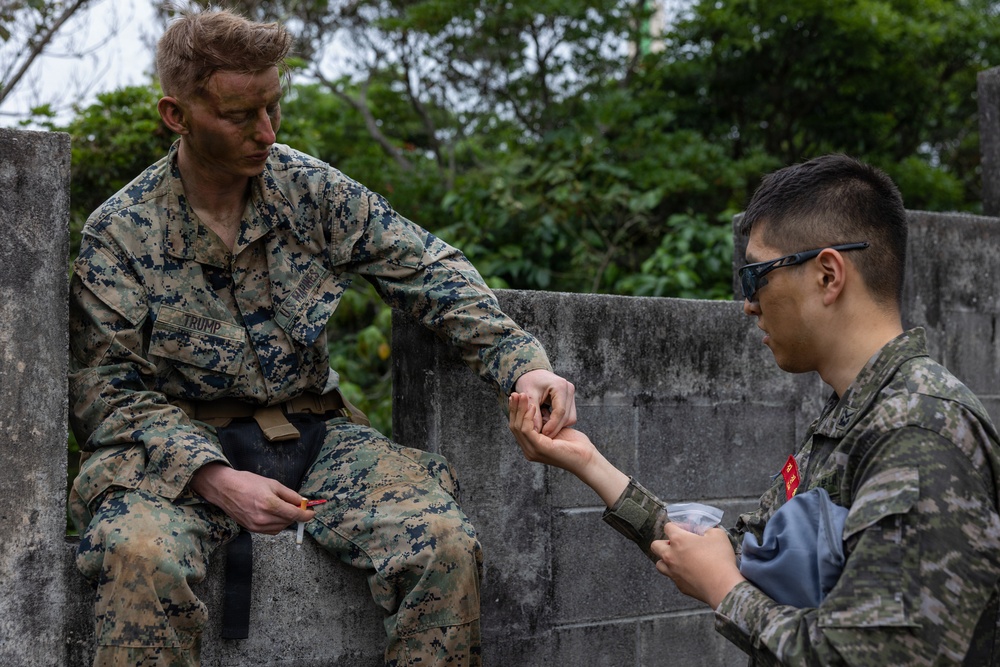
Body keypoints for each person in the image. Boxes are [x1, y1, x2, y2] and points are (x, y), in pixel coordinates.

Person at [68, 9, 576, 667]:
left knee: (444, 541)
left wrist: (523, 363)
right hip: (180, 457)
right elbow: (106, 394)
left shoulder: (307, 188)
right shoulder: (122, 232)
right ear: (177, 114)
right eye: (240, 115)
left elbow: (426, 268)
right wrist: (216, 477)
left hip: (315, 439)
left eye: (274, 108)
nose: (266, 132)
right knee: (139, 555)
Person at [508, 154, 1000, 665]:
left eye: (755, 276)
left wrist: (725, 592)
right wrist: (589, 463)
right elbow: (736, 554)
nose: (748, 303)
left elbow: (882, 656)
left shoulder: (920, 430)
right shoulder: (856, 415)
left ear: (828, 275)